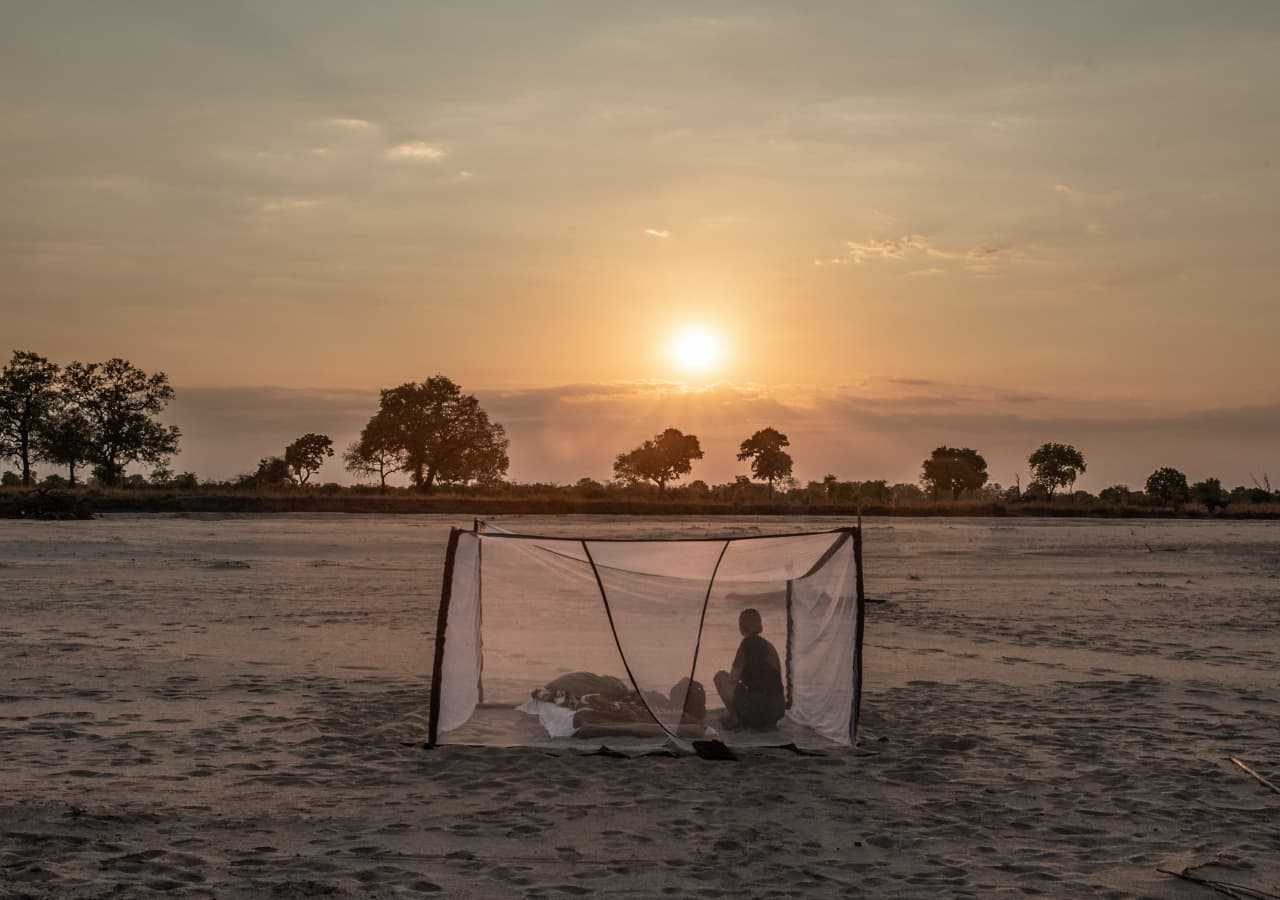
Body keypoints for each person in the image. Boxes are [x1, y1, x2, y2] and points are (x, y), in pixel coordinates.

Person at [714, 608, 785, 730]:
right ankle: (764, 722)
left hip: (759, 710)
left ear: (742, 626)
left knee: (720, 677)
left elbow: (732, 679)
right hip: (777, 710)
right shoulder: (769, 646)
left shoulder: (746, 644)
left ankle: (735, 717)